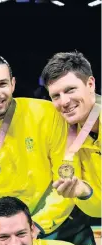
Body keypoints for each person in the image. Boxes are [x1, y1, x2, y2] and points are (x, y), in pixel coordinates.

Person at [0, 54, 100, 245]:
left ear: (13, 84)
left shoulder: (48, 113)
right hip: (11, 237)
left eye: (2, 84)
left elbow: (65, 181)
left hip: (58, 225)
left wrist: (36, 226)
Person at [41, 51, 101, 219]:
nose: (64, 102)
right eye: (56, 96)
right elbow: (98, 209)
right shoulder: (71, 134)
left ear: (90, 84)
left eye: (70, 90)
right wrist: (85, 193)